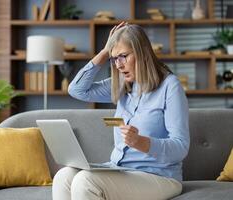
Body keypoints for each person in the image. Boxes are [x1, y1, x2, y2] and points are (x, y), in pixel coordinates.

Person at [52, 22, 190, 200]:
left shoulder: (170, 86)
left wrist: (141, 142)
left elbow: (180, 147)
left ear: (142, 53)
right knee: (64, 176)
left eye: (123, 56)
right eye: (114, 58)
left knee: (86, 181)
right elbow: (77, 90)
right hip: (120, 169)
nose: (118, 65)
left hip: (159, 176)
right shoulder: (121, 84)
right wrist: (104, 52)